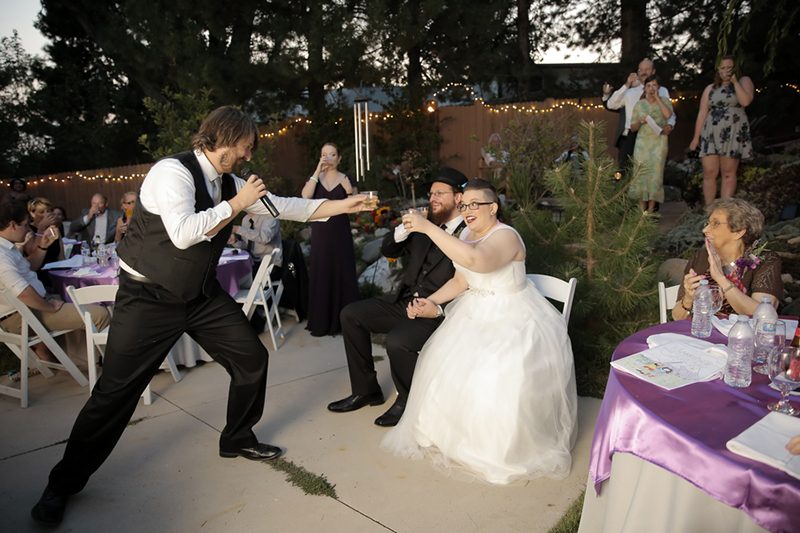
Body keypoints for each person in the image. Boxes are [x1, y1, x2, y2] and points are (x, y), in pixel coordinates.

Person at [31, 106, 371, 526]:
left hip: (200, 295)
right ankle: (61, 484)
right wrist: (237, 203)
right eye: (246, 148)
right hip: (149, 297)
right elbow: (184, 232)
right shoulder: (170, 173)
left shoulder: (229, 182)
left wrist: (343, 207)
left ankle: (237, 437)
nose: (248, 157)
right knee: (114, 395)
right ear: (225, 139)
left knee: (252, 358)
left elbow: (284, 207)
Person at [381, 179, 577, 484]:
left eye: (475, 204)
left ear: (493, 207)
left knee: (492, 373)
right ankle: (453, 438)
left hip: (515, 318)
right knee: (448, 369)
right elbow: (462, 281)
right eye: (464, 205)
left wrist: (427, 227)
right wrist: (429, 301)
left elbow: (478, 261)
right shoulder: (471, 234)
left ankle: (495, 447)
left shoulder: (507, 236)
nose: (468, 209)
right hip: (475, 312)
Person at [328, 168, 468, 427]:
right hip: (404, 301)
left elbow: (464, 280)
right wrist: (402, 231)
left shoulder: (468, 231)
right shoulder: (426, 224)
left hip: (437, 309)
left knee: (397, 341)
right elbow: (389, 249)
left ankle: (407, 400)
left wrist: (434, 305)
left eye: (440, 193)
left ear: (459, 197)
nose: (432, 198)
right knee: (351, 315)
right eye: (431, 193)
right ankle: (365, 390)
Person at [0, 202, 110, 362]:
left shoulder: (6, 248)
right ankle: (110, 367)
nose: (27, 229)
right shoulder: (1, 255)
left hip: (28, 310)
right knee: (100, 314)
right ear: (12, 225)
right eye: (24, 225)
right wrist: (49, 306)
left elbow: (30, 266)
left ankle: (82, 360)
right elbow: (22, 292)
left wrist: (42, 247)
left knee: (73, 300)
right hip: (21, 317)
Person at [672, 198, 782, 320]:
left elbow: (762, 315)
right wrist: (688, 299)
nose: (705, 230)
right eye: (707, 223)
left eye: (715, 224)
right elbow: (677, 317)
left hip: (744, 336)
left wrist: (720, 278)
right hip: (703, 334)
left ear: (738, 232)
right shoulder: (701, 257)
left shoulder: (764, 260)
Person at [301, 142, 359, 336]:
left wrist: (349, 191)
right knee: (322, 272)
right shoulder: (315, 179)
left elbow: (358, 206)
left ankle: (346, 322)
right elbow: (305, 196)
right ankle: (322, 322)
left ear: (339, 158)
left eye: (332, 154)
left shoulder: (346, 178)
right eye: (324, 154)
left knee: (342, 272)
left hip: (340, 233)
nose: (328, 158)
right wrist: (317, 171)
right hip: (320, 235)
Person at [689, 55, 754, 206]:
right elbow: (702, 113)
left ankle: (724, 210)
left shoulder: (744, 81)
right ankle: (709, 210)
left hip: (733, 132)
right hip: (711, 133)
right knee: (709, 172)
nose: (726, 71)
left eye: (729, 68)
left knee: (728, 173)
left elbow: (745, 101)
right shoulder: (710, 88)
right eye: (722, 68)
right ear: (718, 70)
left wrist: (735, 82)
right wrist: (695, 138)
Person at [606, 58, 676, 177]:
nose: (643, 72)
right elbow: (611, 104)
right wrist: (626, 85)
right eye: (641, 70)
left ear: (653, 71)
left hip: (653, 135)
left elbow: (670, 112)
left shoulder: (662, 91)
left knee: (650, 172)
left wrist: (670, 124)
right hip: (630, 136)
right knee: (624, 172)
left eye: (647, 69)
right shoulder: (630, 92)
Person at [629, 75, 674, 214]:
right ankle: (641, 210)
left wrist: (658, 98)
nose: (651, 88)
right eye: (648, 86)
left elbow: (668, 115)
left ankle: (651, 209)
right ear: (645, 88)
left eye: (654, 85)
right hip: (643, 142)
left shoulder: (665, 101)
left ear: (658, 87)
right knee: (641, 173)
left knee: (655, 174)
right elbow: (633, 127)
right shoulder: (640, 104)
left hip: (658, 142)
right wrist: (641, 122)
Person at [230, 213, 282, 277]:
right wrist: (235, 241)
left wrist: (237, 229)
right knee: (229, 272)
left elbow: (264, 239)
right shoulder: (246, 219)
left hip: (269, 264)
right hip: (252, 261)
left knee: (236, 275)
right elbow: (247, 246)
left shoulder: (270, 218)